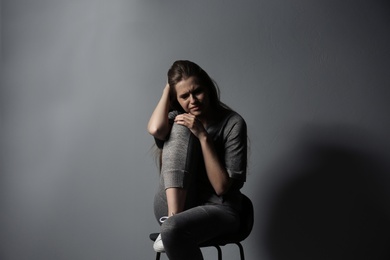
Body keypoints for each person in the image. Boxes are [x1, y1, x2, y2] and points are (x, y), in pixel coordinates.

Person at [147, 60, 247, 260]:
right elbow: (156, 129)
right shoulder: (179, 116)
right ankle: (173, 217)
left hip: (219, 207)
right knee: (181, 125)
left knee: (172, 230)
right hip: (175, 205)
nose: (192, 100)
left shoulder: (232, 123)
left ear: (208, 89)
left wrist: (203, 136)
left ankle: (171, 227)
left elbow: (221, 188)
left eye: (197, 91)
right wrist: (169, 86)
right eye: (184, 96)